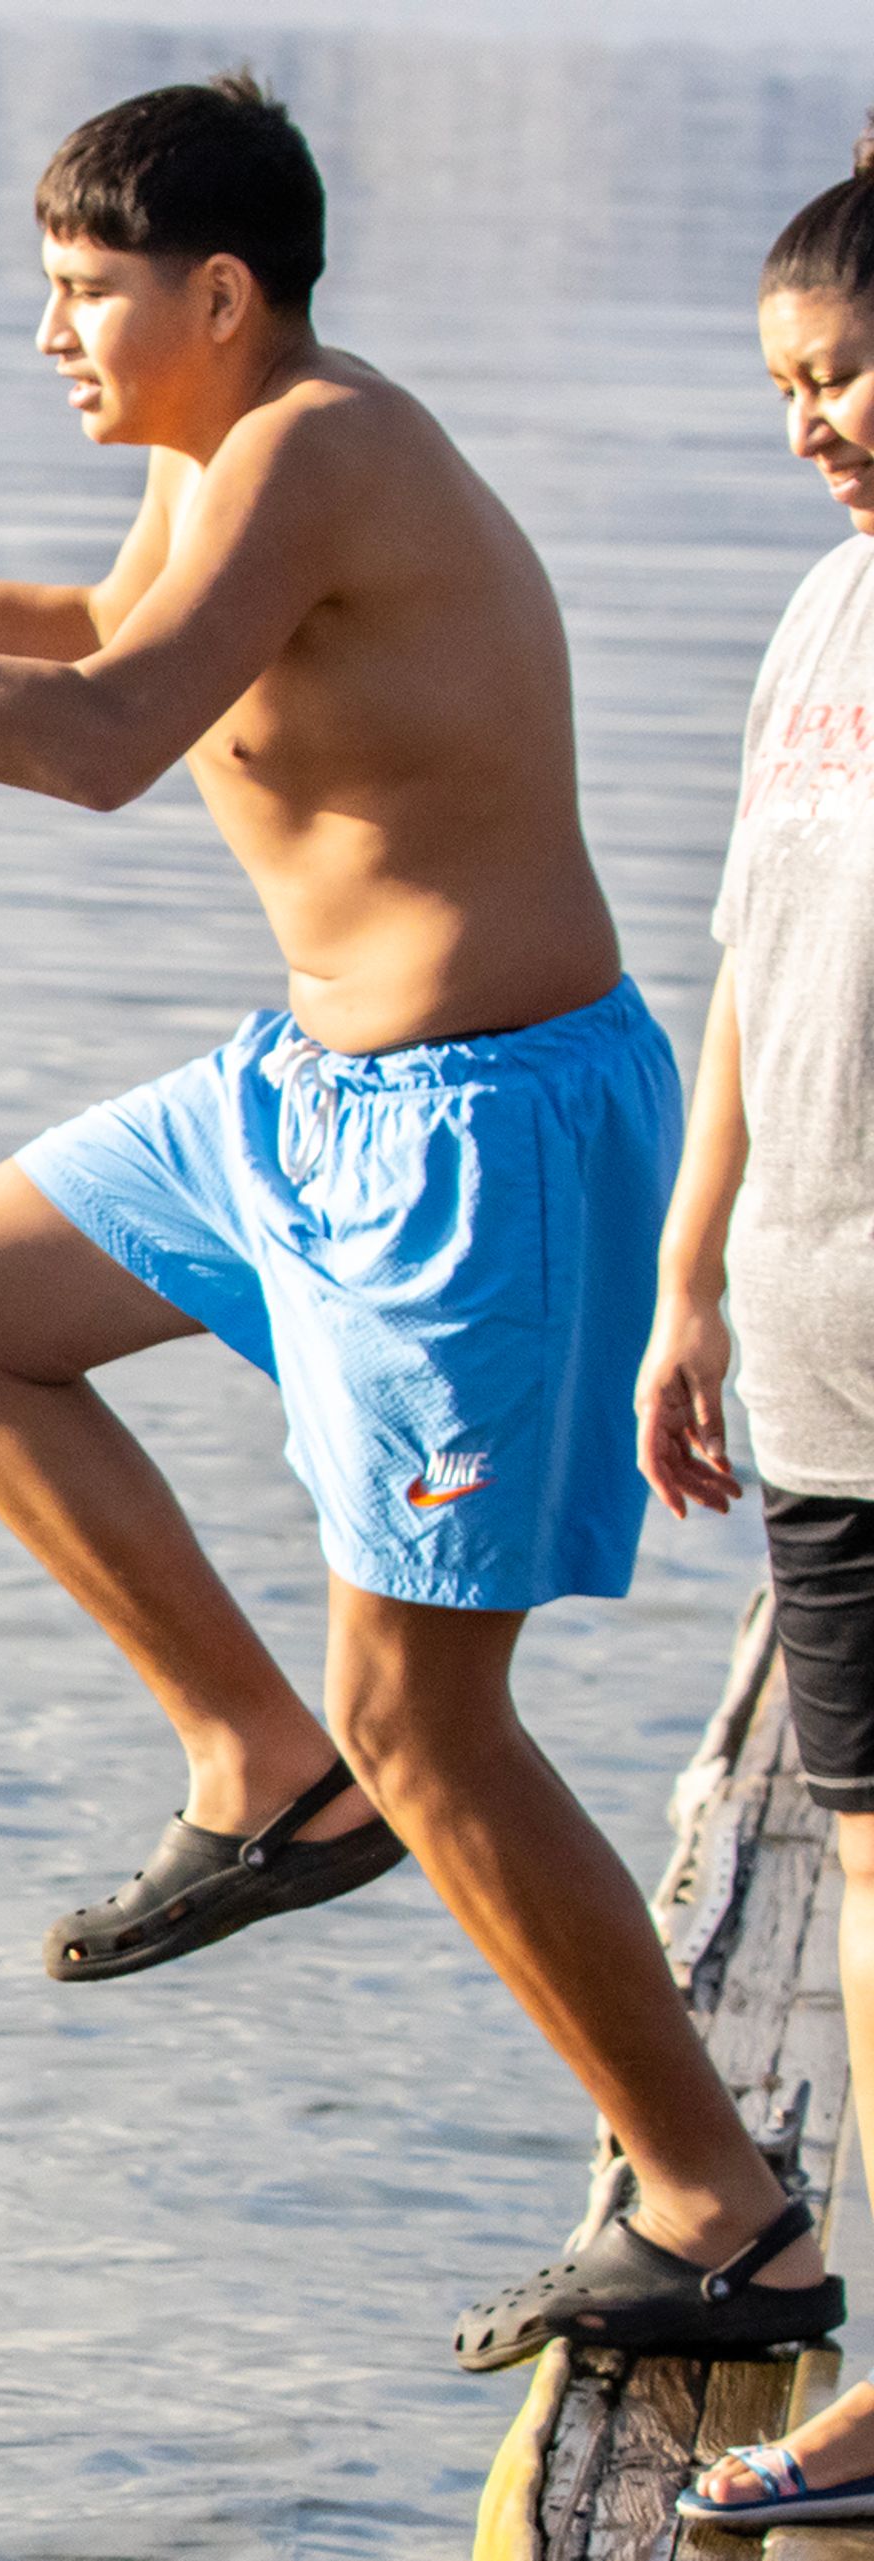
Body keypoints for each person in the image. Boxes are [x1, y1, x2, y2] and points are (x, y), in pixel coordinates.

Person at [0, 72, 839, 2368]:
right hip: (298, 1106)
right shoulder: (217, 461)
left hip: (477, 1145)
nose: (51, 336)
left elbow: (101, 733)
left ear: (218, 295)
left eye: (82, 293)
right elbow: (91, 618)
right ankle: (263, 1767)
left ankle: (722, 2214)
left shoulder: (328, 443)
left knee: (438, 1721)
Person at [658, 119, 874, 2534]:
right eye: (783, 390)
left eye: (846, 375)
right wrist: (693, 1277)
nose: (811, 424)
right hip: (822, 1345)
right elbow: (745, 963)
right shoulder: (820, 619)